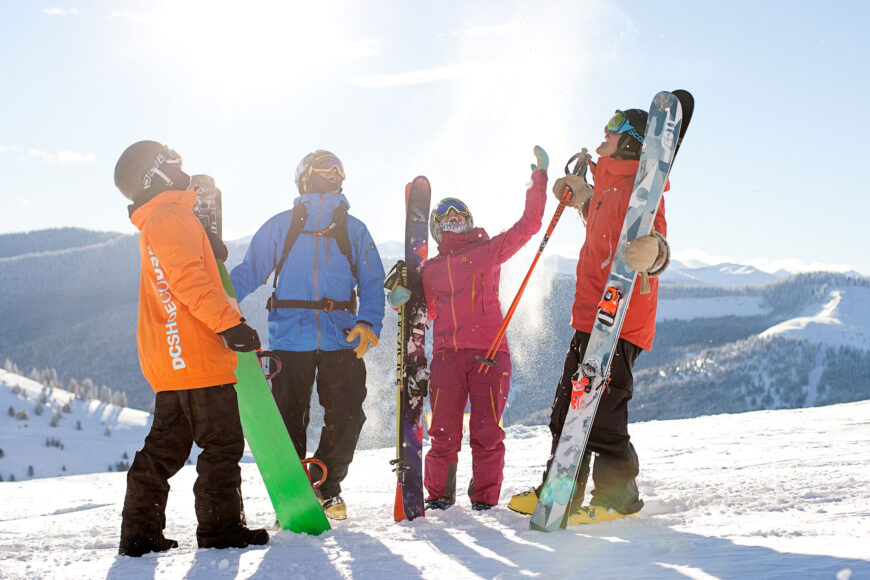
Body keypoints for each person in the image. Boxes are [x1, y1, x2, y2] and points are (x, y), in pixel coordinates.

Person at [509, 108, 670, 524]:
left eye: (614, 129)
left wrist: (654, 255)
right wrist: (581, 198)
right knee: (567, 410)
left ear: (632, 140)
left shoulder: (642, 188)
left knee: (603, 413)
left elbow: (657, 243)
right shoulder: (607, 187)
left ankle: (619, 496)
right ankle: (561, 492)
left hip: (622, 319)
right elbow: (601, 235)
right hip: (589, 317)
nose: (604, 132)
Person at [113, 140, 268, 557]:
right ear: (156, 174)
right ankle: (220, 531)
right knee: (221, 445)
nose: (181, 164)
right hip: (198, 357)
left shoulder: (159, 221)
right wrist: (231, 325)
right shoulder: (170, 217)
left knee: (164, 451)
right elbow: (189, 283)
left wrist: (204, 242)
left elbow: (183, 272)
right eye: (172, 160)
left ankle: (140, 534)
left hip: (172, 361)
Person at [230, 150, 386, 521]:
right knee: (287, 419)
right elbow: (250, 272)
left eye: (338, 169)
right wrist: (216, 300)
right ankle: (295, 489)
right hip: (289, 335)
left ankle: (325, 487)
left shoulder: (354, 228)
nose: (334, 174)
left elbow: (372, 281)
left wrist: (369, 322)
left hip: (342, 336)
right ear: (305, 176)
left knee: (348, 416)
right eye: (325, 168)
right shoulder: (283, 225)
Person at [419, 146, 548, 511]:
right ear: (436, 227)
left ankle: (484, 500)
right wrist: (402, 288)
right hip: (446, 358)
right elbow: (424, 312)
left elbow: (529, 227)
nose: (453, 222)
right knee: (443, 433)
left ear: (469, 221)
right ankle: (440, 497)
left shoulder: (488, 250)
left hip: (489, 354)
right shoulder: (429, 270)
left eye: (459, 217)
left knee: (487, 433)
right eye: (445, 219)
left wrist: (538, 182)